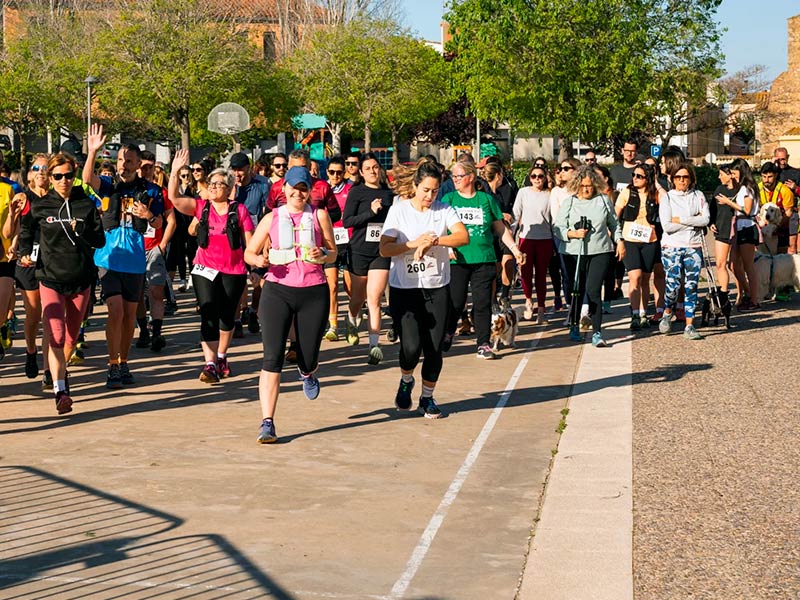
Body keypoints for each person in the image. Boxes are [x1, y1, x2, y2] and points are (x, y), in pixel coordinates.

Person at [244, 166, 337, 444]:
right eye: (293, 188)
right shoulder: (272, 217)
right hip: (277, 290)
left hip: (313, 291)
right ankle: (267, 422)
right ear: (284, 189)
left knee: (308, 356)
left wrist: (324, 254)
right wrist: (258, 260)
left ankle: (307, 372)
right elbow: (249, 251)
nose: (298, 193)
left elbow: (334, 252)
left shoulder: (319, 215)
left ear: (310, 191)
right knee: (272, 358)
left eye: (303, 188)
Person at [379, 162, 469, 417]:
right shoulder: (399, 211)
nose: (430, 196)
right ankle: (406, 379)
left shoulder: (443, 210)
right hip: (405, 289)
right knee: (410, 347)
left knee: (434, 347)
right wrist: (412, 244)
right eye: (426, 190)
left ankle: (427, 398)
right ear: (415, 186)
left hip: (436, 287)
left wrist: (435, 241)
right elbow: (385, 249)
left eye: (435, 191)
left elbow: (463, 237)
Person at [17, 153, 105, 414]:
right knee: (54, 335)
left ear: (75, 175)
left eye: (68, 176)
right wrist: (24, 251)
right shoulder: (42, 206)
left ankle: (60, 374)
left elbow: (99, 240)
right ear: (50, 178)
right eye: (58, 176)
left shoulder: (86, 205)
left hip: (80, 279)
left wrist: (83, 230)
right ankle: (60, 390)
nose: (63, 181)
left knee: (69, 338)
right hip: (50, 278)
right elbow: (27, 230)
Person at [83, 124, 165, 389]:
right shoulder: (109, 185)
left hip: (135, 260)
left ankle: (125, 361)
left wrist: (149, 216)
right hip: (108, 259)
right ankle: (112, 365)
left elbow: (161, 221)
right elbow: (87, 180)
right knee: (115, 312)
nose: (123, 165)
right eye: (120, 160)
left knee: (130, 316)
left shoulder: (150, 190)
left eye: (129, 161)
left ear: (138, 163)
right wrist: (92, 152)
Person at [168, 149, 255, 383]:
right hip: (205, 267)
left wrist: (255, 268)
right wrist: (175, 172)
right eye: (212, 183)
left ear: (229, 188)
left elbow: (250, 243)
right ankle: (210, 364)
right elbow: (174, 199)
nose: (214, 187)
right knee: (208, 313)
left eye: (219, 184)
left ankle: (222, 356)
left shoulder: (240, 210)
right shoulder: (201, 207)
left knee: (227, 317)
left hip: (233, 269)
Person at [441, 161, 523, 359]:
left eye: (459, 176)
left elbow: (500, 228)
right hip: (457, 260)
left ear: (470, 177)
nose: (455, 180)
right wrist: (446, 246)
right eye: (453, 176)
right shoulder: (448, 199)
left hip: (484, 259)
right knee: (456, 301)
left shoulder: (485, 200)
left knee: (482, 303)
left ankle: (483, 344)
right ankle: (448, 331)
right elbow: (439, 227)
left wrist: (514, 249)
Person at [554, 165, 623, 347]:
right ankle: (574, 325)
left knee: (593, 290)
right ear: (577, 185)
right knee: (576, 290)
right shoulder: (569, 202)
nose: (586, 189)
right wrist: (573, 234)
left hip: (600, 251)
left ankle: (597, 332)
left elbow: (614, 224)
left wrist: (620, 240)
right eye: (583, 186)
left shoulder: (603, 200)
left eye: (590, 186)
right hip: (573, 252)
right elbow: (558, 228)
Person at [342, 153, 395, 363]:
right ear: (361, 173)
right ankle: (352, 317)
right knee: (358, 298)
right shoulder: (356, 193)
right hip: (359, 251)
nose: (373, 171)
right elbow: (347, 221)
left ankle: (374, 346)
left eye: (375, 167)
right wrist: (371, 212)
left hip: (381, 252)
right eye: (368, 169)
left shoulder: (389, 194)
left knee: (375, 298)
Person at [3, 154, 51, 380]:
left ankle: (51, 367)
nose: (41, 171)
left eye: (46, 168)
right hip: (27, 261)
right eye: (36, 168)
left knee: (52, 314)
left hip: (53, 261)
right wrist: (12, 214)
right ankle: (31, 351)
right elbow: (8, 233)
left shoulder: (59, 198)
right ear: (29, 175)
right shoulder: (23, 198)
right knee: (34, 314)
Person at [657, 162, 710, 339]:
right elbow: (667, 226)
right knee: (673, 285)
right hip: (671, 246)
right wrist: (693, 220)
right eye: (678, 177)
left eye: (685, 177)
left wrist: (681, 219)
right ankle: (667, 310)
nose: (682, 180)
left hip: (693, 246)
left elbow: (705, 220)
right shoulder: (668, 198)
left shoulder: (698, 195)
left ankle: (689, 325)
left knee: (691, 286)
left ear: (691, 179)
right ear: (672, 179)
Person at [615, 164, 665, 330]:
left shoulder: (655, 194)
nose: (635, 178)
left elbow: (665, 199)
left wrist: (656, 183)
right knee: (635, 277)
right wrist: (618, 237)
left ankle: (643, 313)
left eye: (640, 176)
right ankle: (635, 314)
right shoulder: (627, 192)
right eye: (634, 175)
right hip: (630, 239)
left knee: (645, 278)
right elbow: (615, 215)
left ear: (648, 179)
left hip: (650, 240)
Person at [134, 150, 175, 353]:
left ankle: (157, 332)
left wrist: (164, 243)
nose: (146, 171)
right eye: (143, 167)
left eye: (150, 167)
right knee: (138, 293)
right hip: (133, 248)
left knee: (156, 290)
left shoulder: (159, 192)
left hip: (154, 247)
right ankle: (143, 329)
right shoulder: (127, 189)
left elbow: (170, 220)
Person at [230, 151, 271, 336]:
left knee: (259, 281)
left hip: (255, 239)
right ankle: (237, 320)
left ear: (248, 168)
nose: (237, 173)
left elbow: (268, 213)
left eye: (240, 169)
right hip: (234, 241)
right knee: (238, 282)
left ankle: (253, 311)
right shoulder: (230, 186)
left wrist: (267, 239)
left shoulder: (261, 185)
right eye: (234, 170)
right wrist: (232, 191)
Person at [513, 163, 552, 322]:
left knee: (542, 275)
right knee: (526, 273)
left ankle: (541, 307)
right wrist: (510, 232)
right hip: (526, 238)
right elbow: (516, 214)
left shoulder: (550, 194)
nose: (537, 179)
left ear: (545, 178)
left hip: (545, 238)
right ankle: (528, 300)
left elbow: (554, 218)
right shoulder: (523, 193)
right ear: (529, 178)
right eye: (534, 176)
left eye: (540, 176)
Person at [322, 156, 353, 342]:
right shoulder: (321, 189)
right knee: (332, 285)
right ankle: (333, 325)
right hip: (329, 243)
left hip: (347, 242)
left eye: (339, 172)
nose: (335, 176)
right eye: (332, 172)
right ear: (327, 172)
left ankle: (351, 321)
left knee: (350, 287)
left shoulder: (351, 190)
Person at [728, 158, 760, 311]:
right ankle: (747, 292)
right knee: (733, 263)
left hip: (747, 226)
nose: (733, 176)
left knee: (748, 266)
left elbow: (747, 210)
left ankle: (754, 299)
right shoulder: (742, 188)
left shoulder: (747, 188)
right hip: (741, 227)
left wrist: (730, 203)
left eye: (734, 173)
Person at [710, 163, 739, 310]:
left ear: (730, 175)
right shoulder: (719, 189)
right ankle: (723, 294)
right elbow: (712, 209)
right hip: (721, 231)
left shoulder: (740, 190)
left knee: (735, 266)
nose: (719, 177)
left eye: (721, 174)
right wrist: (711, 223)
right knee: (720, 264)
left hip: (737, 231)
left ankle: (743, 292)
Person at [758, 161, 796, 254]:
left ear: (775, 175)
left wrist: (776, 226)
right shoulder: (756, 189)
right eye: (764, 176)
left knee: (794, 216)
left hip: (782, 223)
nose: (766, 180)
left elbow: (789, 212)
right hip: (763, 223)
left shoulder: (785, 190)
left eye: (770, 177)